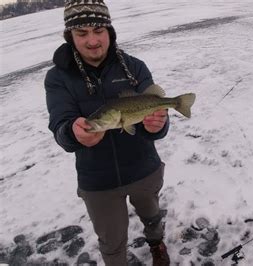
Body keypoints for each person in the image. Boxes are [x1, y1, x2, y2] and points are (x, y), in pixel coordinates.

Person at [44, 1, 170, 265]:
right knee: (111, 243)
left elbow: (155, 109)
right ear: (70, 36)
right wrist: (72, 133)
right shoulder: (58, 78)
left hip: (143, 169)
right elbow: (60, 126)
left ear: (110, 31)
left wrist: (160, 124)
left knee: (152, 216)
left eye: (99, 30)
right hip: (98, 182)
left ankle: (157, 244)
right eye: (82, 33)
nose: (92, 41)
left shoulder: (134, 67)